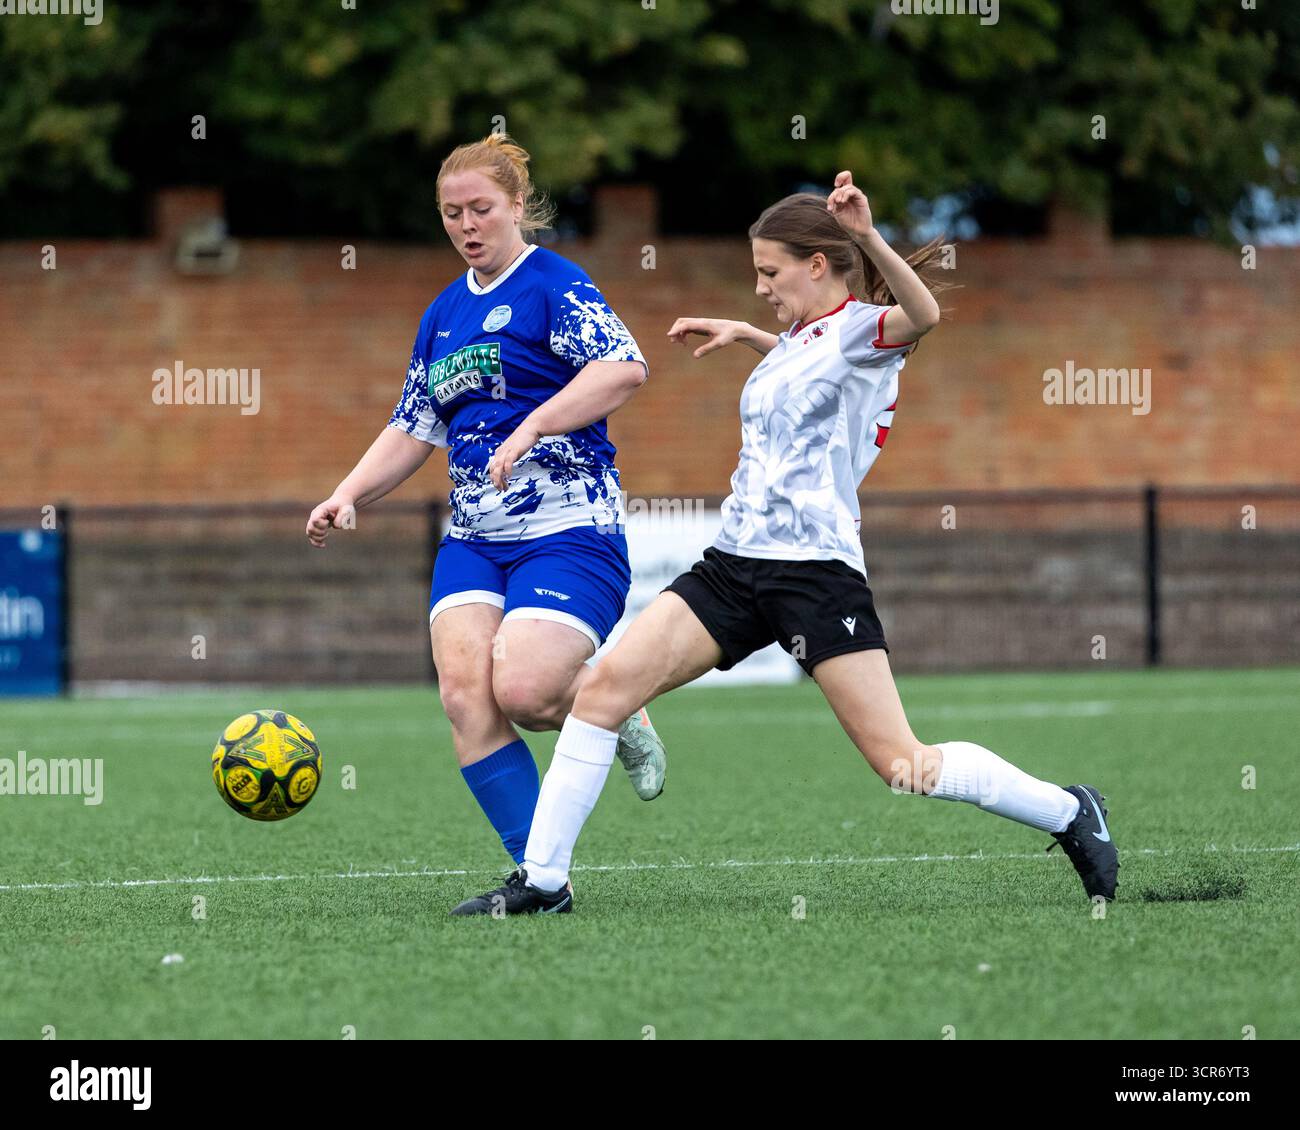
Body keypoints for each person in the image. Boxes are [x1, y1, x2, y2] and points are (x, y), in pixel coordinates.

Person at [449, 170, 1118, 916]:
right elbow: (811, 364)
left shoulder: (868, 329)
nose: (761, 285)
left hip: (815, 576)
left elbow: (921, 315)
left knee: (901, 762)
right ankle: (543, 882)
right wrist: (751, 337)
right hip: (733, 567)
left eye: (770, 273)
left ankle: (1068, 811)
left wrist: (866, 234)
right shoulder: (802, 340)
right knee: (603, 693)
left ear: (818, 264)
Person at [307, 133, 666, 869]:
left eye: (481, 209)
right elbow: (413, 428)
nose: (467, 226)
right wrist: (347, 494)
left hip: (569, 529)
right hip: (474, 539)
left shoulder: (554, 284)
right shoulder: (442, 313)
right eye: (451, 214)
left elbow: (625, 368)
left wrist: (533, 424)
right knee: (467, 700)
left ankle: (618, 707)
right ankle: (538, 873)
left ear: (517, 208)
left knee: (528, 693)